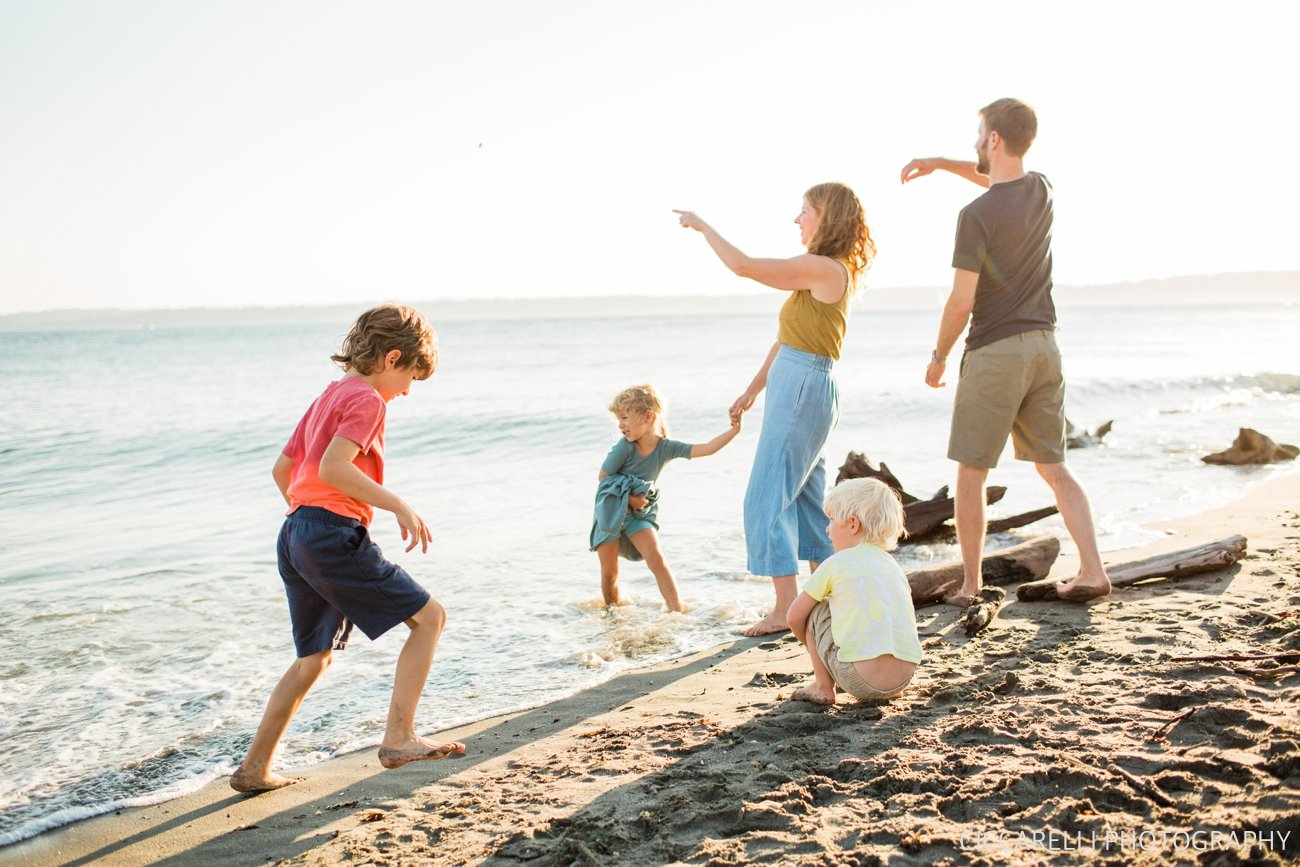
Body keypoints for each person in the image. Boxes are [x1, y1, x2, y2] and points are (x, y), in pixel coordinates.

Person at [230, 304, 464, 793]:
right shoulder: (368, 400)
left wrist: (308, 522)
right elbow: (334, 468)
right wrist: (396, 504)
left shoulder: (328, 395)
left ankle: (254, 768)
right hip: (328, 534)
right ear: (392, 358)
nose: (407, 391)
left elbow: (282, 470)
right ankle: (399, 738)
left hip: (294, 533)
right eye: (410, 378)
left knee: (313, 658)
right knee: (430, 618)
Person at [900, 97, 1112, 605]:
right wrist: (941, 164)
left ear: (994, 139)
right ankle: (1093, 571)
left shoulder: (975, 215)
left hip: (995, 351)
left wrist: (938, 356)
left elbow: (961, 300)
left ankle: (971, 586)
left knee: (971, 475)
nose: (975, 143)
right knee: (1055, 468)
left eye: (979, 135)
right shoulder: (1041, 189)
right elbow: (996, 182)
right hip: (1045, 347)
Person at [674, 182, 876, 635]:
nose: (797, 219)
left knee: (767, 495)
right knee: (806, 500)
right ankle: (826, 601)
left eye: (805, 211)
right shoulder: (819, 272)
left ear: (827, 217)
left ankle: (786, 607)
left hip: (803, 386)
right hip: (799, 384)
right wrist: (752, 390)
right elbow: (788, 339)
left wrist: (703, 226)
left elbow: (743, 266)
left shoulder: (823, 268)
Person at [592, 384, 740, 612]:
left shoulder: (666, 448)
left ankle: (676, 610)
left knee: (657, 559)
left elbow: (707, 448)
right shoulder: (624, 448)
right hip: (611, 512)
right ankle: (612, 616)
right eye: (618, 419)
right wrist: (630, 499)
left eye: (625, 417)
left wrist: (734, 431)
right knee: (610, 573)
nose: (620, 424)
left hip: (639, 515)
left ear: (648, 416)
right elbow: (604, 478)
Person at [786, 478, 921, 705]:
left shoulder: (836, 562)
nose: (827, 529)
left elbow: (793, 617)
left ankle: (823, 686)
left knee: (814, 611)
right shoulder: (893, 566)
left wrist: (816, 647)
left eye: (831, 520)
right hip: (903, 678)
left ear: (852, 524)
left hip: (859, 680)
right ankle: (887, 689)